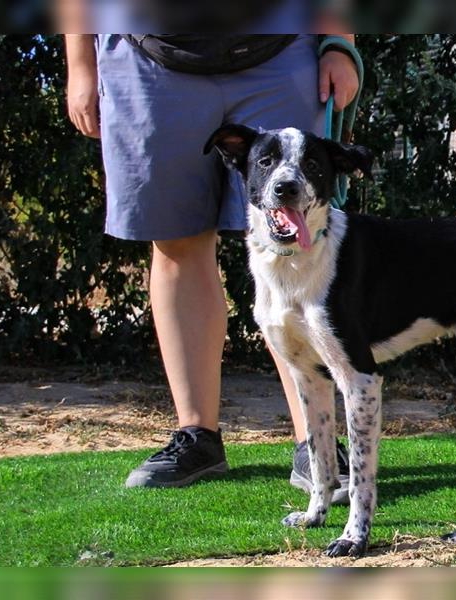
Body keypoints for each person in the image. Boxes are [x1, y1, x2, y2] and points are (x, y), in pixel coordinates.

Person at [64, 29, 359, 502]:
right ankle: (197, 437)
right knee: (177, 244)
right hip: (150, 59)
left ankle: (317, 445)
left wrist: (340, 43)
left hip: (278, 51)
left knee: (301, 247)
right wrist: (80, 62)